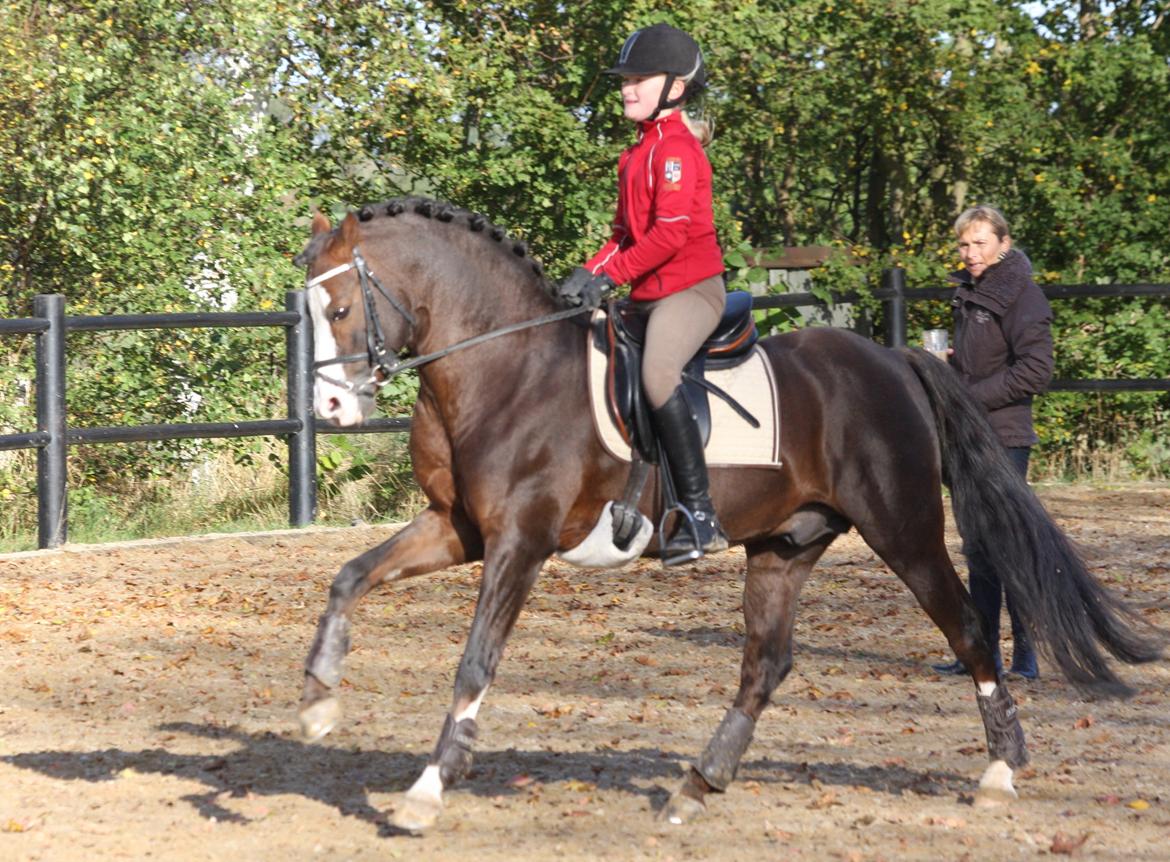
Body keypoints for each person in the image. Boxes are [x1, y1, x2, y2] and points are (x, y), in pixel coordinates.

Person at [554, 23, 728, 565]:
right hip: (647, 292)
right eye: (625, 80)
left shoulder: (676, 152)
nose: (627, 89)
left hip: (692, 290)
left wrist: (613, 275)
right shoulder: (635, 156)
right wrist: (587, 274)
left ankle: (701, 513)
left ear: (674, 88)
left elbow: (671, 234)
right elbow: (624, 237)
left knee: (656, 373)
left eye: (639, 80)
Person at [932, 205, 1054, 680]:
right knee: (978, 548)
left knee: (1006, 547)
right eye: (964, 244)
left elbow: (1036, 370)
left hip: (1004, 437)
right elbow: (986, 360)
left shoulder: (1023, 297)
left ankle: (1026, 657)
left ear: (1004, 243)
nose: (970, 253)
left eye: (980, 243)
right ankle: (985, 655)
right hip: (969, 435)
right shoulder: (971, 293)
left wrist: (967, 396)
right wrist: (951, 363)